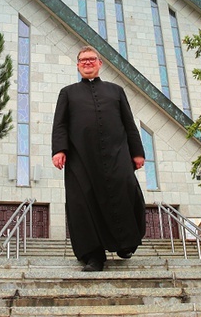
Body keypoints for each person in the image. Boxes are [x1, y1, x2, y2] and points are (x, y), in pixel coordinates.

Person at [51, 46, 146, 272]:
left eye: (91, 59)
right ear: (77, 65)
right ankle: (93, 256)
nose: (87, 63)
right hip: (80, 158)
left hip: (117, 155)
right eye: (82, 60)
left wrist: (137, 152)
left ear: (100, 63)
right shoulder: (68, 92)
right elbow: (60, 124)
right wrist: (59, 150)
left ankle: (126, 244)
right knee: (82, 204)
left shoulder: (116, 91)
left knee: (127, 191)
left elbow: (129, 123)